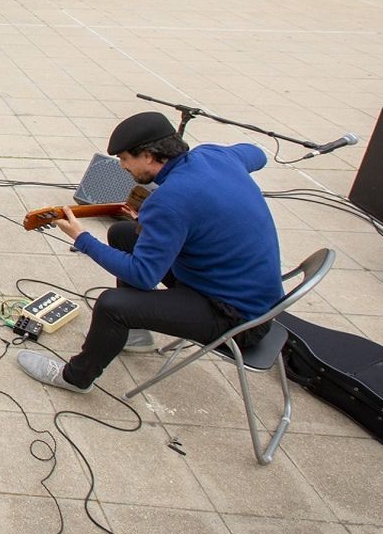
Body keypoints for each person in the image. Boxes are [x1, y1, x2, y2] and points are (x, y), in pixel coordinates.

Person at [16, 111, 283, 394]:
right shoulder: (215, 155)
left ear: (147, 156)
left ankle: (75, 378)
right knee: (122, 234)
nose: (121, 166)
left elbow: (143, 275)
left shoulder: (169, 201)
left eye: (124, 158)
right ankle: (133, 336)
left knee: (111, 305)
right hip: (252, 292)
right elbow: (257, 154)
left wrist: (82, 238)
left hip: (238, 316)